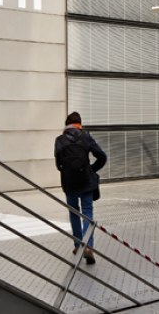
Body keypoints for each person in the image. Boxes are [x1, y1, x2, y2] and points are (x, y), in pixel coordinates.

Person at [54, 111, 107, 265]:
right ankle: (88, 246)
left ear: (66, 125)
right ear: (79, 123)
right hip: (86, 181)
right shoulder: (85, 136)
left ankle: (78, 246)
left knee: (74, 213)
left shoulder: (60, 140)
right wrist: (91, 170)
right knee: (87, 213)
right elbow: (102, 156)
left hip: (69, 183)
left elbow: (58, 165)